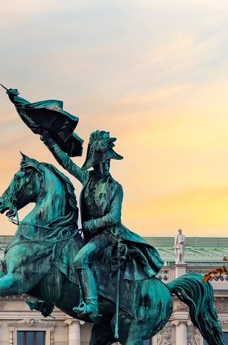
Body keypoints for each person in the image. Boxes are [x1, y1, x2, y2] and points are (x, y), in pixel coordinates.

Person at [40, 130, 162, 322]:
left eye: (108, 162)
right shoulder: (87, 178)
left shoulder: (115, 187)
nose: (105, 166)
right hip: (90, 235)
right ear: (94, 163)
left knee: (80, 260)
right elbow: (67, 163)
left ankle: (91, 303)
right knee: (57, 254)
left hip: (109, 235)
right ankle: (46, 298)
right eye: (102, 162)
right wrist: (49, 141)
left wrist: (92, 224)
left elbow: (114, 217)